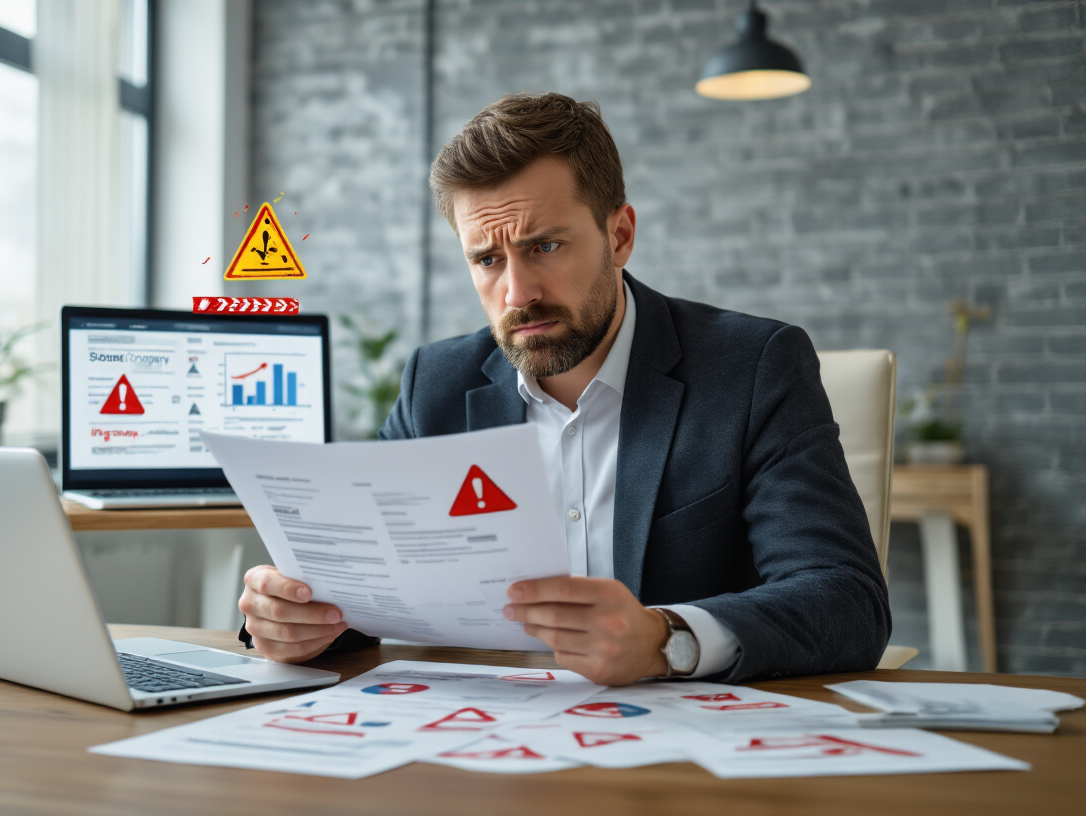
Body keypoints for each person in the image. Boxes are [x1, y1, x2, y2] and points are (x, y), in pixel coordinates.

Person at [238, 92, 890, 685]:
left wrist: (669, 640)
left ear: (620, 235)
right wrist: (292, 618)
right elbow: (366, 591)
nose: (518, 294)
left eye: (545, 246)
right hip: (477, 749)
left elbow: (846, 600)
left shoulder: (752, 368)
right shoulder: (434, 386)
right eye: (488, 260)